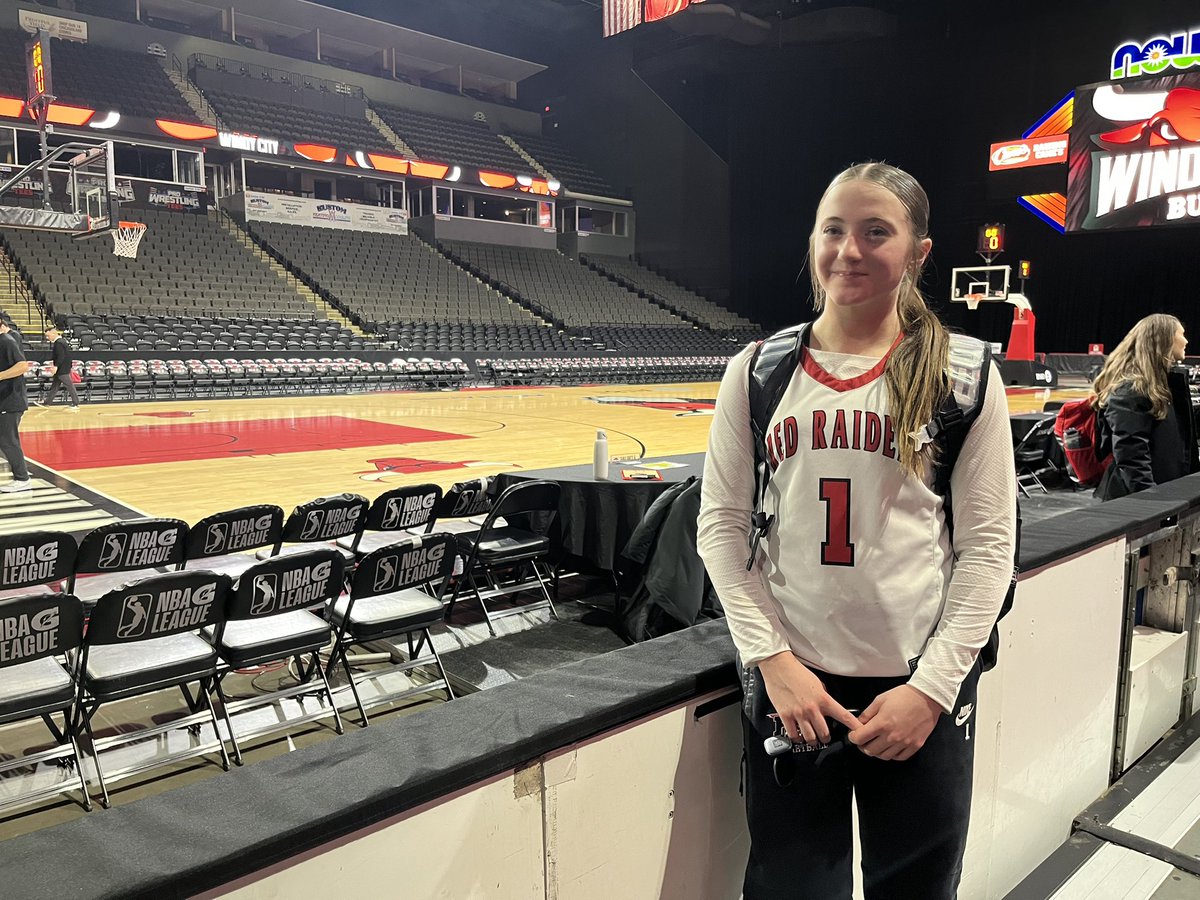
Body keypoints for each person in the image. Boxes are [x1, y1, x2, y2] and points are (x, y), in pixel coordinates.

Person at [697, 162, 1017, 899]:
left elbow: (988, 551)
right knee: (793, 888)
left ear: (918, 252)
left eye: (877, 232)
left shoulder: (964, 375)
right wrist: (773, 661)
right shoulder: (758, 370)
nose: (849, 250)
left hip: (918, 690)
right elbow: (720, 529)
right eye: (833, 230)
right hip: (794, 687)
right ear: (812, 240)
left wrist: (931, 690)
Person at [1092, 313, 1196, 501]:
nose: (1186, 341)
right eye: (1181, 334)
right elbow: (1132, 456)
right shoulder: (1130, 390)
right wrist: (1152, 502)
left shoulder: (1164, 385)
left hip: (1167, 493)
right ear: (1165, 339)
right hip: (1138, 502)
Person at [0, 320, 32, 493]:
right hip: (4, 400)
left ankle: (22, 478)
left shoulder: (6, 341)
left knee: (8, 441)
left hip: (11, 400)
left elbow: (22, 366)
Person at [40, 326, 80, 411]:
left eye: (48, 336)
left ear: (53, 333)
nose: (47, 338)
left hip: (62, 369)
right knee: (55, 386)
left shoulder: (59, 343)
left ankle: (76, 403)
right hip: (62, 368)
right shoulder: (62, 341)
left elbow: (60, 356)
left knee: (69, 385)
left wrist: (56, 366)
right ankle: (47, 402)